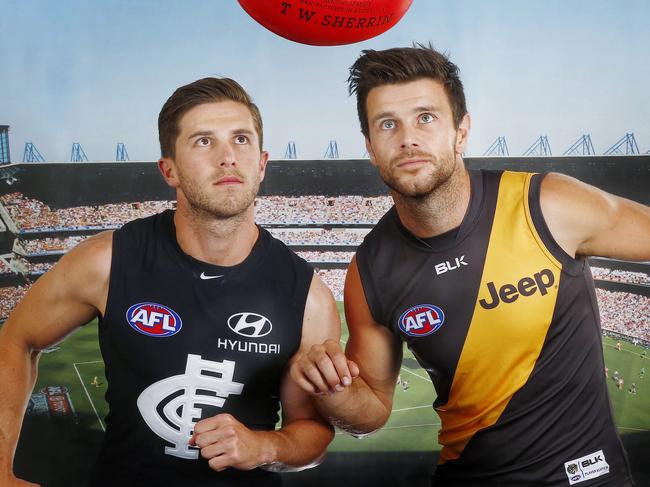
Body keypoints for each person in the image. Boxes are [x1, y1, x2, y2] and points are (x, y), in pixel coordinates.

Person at [291, 45, 649, 486]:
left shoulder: (548, 204)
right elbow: (372, 412)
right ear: (370, 147)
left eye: (426, 117)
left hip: (589, 477)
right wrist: (336, 390)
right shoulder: (370, 271)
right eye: (388, 124)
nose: (408, 138)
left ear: (461, 132)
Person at [0, 77, 339, 487]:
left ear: (262, 164)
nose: (227, 157)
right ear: (169, 170)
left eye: (241, 140)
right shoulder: (106, 261)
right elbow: (16, 339)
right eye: (203, 142)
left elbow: (312, 433)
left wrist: (263, 446)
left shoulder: (308, 297)